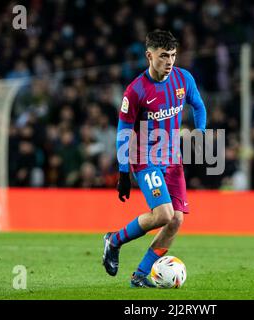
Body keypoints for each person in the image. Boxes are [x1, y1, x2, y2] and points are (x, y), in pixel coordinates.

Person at [102, 30, 207, 287]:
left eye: (172, 55)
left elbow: (199, 105)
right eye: (163, 56)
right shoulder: (135, 91)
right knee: (163, 215)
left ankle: (139, 275)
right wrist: (124, 172)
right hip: (144, 157)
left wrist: (200, 134)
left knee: (176, 220)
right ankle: (113, 240)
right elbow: (123, 132)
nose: (169, 61)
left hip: (172, 158)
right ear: (149, 56)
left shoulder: (184, 79)